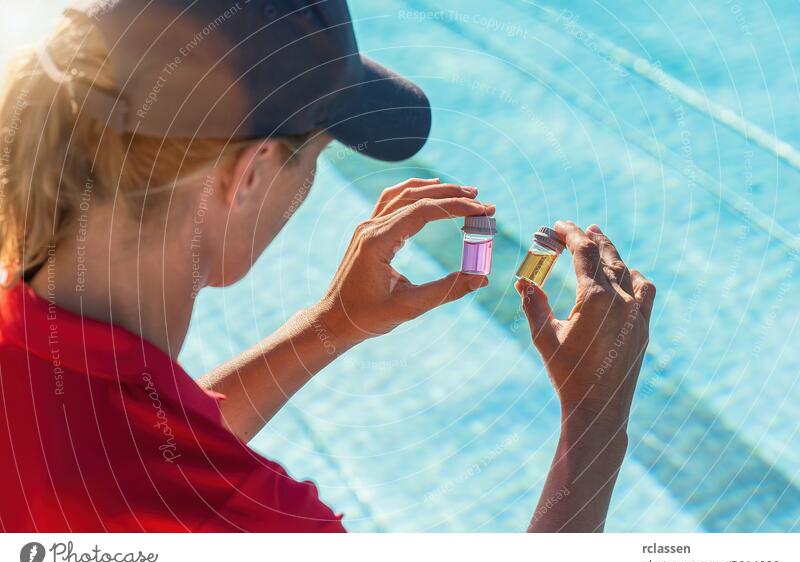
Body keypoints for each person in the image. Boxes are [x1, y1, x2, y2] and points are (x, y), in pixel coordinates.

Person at [0, 0, 654, 533]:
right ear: (249, 176)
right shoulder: (251, 528)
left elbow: (116, 446)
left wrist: (331, 324)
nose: (308, 182)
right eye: (313, 157)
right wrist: (595, 424)